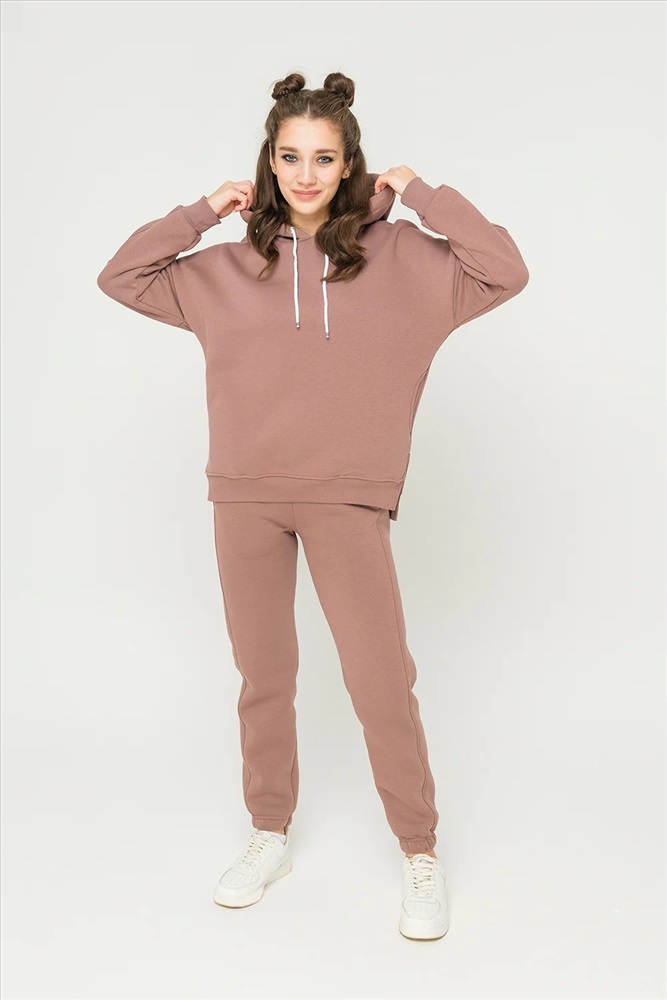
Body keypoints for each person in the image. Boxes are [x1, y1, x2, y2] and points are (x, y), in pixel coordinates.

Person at [97, 70, 529, 941]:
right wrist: (200, 213)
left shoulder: (405, 261)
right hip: (245, 496)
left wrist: (421, 194)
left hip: (348, 499)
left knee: (380, 681)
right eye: (289, 156)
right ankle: (269, 833)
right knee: (263, 677)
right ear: (268, 161)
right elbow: (121, 275)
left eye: (323, 158)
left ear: (349, 165)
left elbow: (504, 269)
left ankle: (418, 849)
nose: (304, 174)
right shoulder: (223, 268)